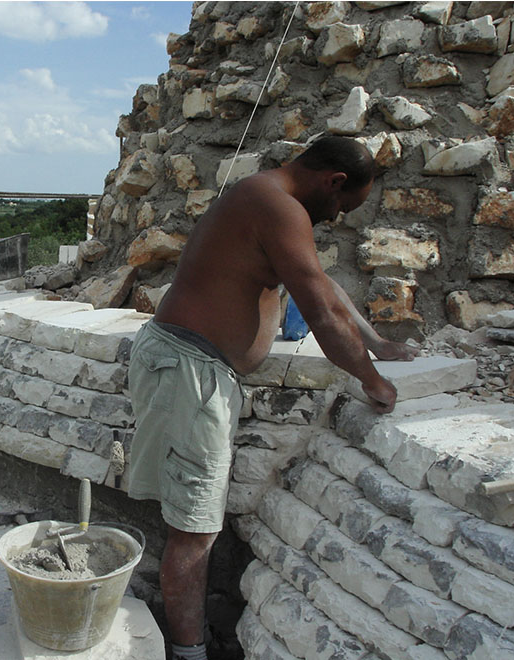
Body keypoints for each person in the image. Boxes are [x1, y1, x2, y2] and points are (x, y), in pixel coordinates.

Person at [126, 136, 418, 660]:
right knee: (194, 530)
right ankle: (189, 651)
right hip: (190, 372)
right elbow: (319, 311)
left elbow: (321, 285)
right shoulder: (276, 204)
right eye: (342, 206)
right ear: (333, 182)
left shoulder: (267, 198)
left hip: (193, 369)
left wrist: (374, 343)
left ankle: (188, 637)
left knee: (193, 524)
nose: (335, 218)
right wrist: (371, 381)